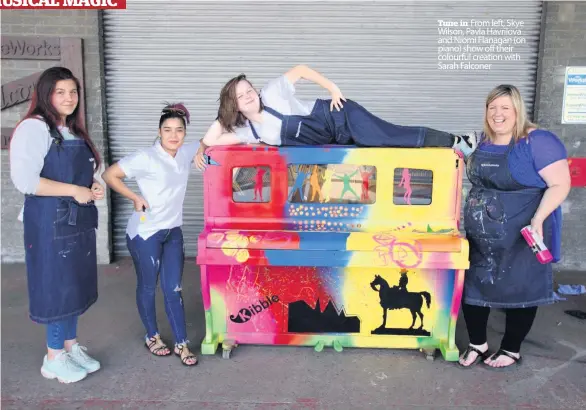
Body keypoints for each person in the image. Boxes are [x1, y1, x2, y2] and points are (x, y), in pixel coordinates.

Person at [458, 85, 571, 370]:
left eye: (505, 108)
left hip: (522, 232)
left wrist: (538, 220)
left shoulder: (538, 141)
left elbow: (560, 183)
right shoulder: (480, 141)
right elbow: (447, 159)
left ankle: (511, 348)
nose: (498, 114)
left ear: (518, 110)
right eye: (492, 107)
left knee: (521, 289)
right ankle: (477, 343)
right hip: (480, 235)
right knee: (473, 287)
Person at [10, 66, 104, 383]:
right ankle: (53, 357)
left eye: (73, 92)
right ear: (46, 94)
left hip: (76, 220)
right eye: (60, 92)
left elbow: (77, 176)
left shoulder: (71, 131)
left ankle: (70, 346)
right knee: (57, 287)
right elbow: (25, 181)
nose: (68, 98)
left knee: (74, 285)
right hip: (49, 223)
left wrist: (92, 186)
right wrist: (74, 190)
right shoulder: (34, 128)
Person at [194, 65, 477, 170]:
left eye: (248, 90)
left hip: (340, 116)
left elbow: (301, 69)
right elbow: (215, 138)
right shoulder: (248, 133)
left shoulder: (272, 92)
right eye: (240, 97)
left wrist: (332, 88)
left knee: (389, 137)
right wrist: (203, 147)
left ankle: (458, 141)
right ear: (236, 107)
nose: (248, 95)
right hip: (332, 140)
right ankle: (453, 143)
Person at [101, 103, 199, 366]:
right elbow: (109, 174)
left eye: (179, 130)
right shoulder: (145, 157)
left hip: (172, 232)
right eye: (167, 130)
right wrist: (134, 196)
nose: (173, 135)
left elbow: (212, 139)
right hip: (145, 234)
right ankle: (152, 336)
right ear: (159, 131)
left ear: (185, 133)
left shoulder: (185, 152)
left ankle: (182, 343)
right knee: (148, 285)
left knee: (173, 288)